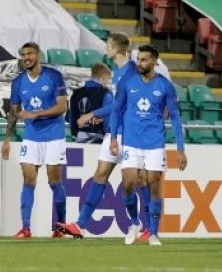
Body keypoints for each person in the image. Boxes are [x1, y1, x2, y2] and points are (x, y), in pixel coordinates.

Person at [57, 33, 152, 242]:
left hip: (132, 135)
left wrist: (92, 114)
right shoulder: (118, 73)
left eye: (108, 45)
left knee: (139, 181)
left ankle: (147, 226)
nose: (105, 49)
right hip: (115, 133)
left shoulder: (132, 72)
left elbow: (122, 105)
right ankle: (80, 225)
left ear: (117, 49)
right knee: (100, 175)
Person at [109, 44, 187, 246]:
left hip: (154, 142)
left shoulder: (165, 86)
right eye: (138, 59)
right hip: (131, 141)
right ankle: (134, 223)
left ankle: (153, 232)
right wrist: (113, 138)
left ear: (154, 62)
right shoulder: (128, 81)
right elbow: (117, 110)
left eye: (144, 60)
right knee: (127, 184)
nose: (140, 63)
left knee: (153, 183)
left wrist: (180, 149)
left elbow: (176, 119)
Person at [1, 42, 68, 239]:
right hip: (31, 137)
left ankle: (60, 225)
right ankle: (26, 228)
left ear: (38, 55)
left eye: (30, 54)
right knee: (28, 180)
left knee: (54, 181)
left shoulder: (53, 76)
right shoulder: (18, 82)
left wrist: (35, 114)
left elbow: (62, 106)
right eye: (23, 55)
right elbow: (14, 112)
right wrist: (7, 139)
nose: (26, 58)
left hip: (54, 135)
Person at [69, 63, 112, 144]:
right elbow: (108, 123)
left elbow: (71, 118)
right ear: (103, 78)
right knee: (95, 157)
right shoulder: (106, 94)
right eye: (107, 80)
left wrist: (74, 135)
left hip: (78, 137)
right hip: (99, 138)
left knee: (74, 157)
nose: (106, 83)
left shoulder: (75, 93)